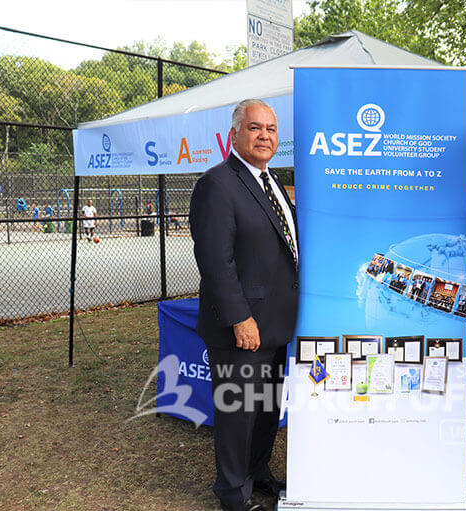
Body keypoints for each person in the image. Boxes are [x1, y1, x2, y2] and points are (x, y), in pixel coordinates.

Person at [189, 99, 298, 511]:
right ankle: (233, 494)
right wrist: (240, 318)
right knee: (239, 413)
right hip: (243, 327)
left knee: (267, 408)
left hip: (276, 324)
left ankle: (257, 473)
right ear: (235, 133)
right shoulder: (217, 183)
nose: (265, 135)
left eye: (271, 129)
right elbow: (216, 261)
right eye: (255, 128)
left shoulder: (273, 184)